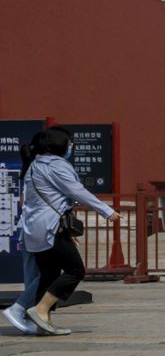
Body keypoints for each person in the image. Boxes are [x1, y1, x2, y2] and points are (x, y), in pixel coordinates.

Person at [15, 127, 120, 336]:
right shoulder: (56, 166)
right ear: (60, 145)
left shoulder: (34, 165)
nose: (71, 147)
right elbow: (77, 191)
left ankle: (42, 323)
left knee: (49, 274)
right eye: (70, 143)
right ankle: (40, 309)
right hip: (51, 227)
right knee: (75, 271)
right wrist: (106, 210)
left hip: (34, 228)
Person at [3, 132, 52, 336]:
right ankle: (20, 309)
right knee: (47, 274)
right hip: (36, 229)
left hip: (27, 229)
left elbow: (23, 202)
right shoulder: (39, 170)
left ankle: (28, 317)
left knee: (32, 274)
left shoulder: (28, 170)